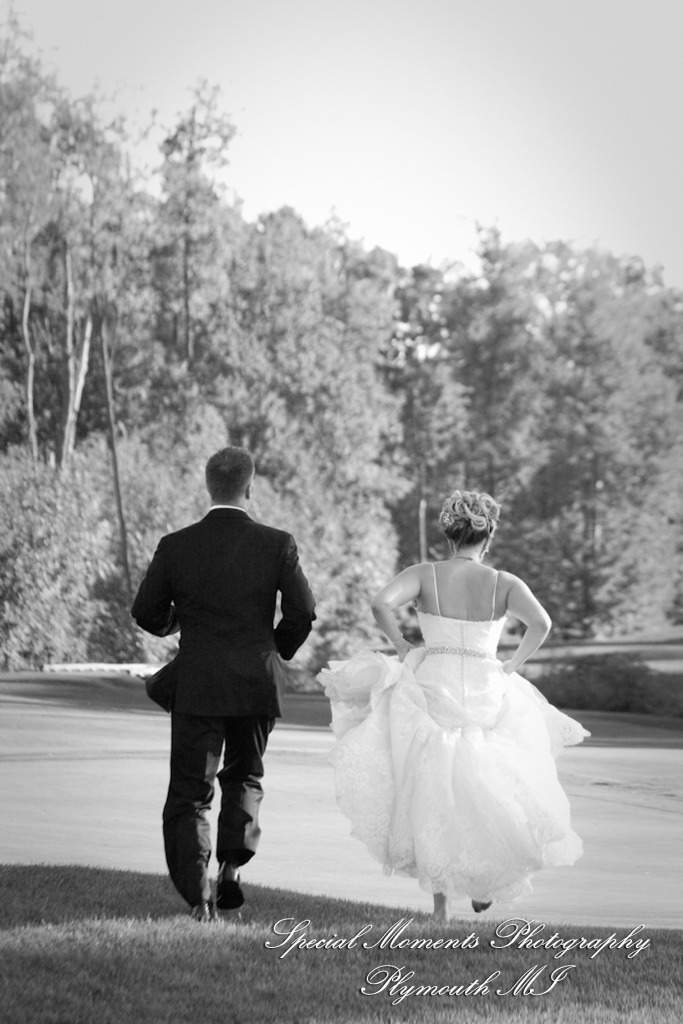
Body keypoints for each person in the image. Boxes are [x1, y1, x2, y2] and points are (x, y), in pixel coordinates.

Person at [319, 489, 588, 920]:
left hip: (436, 683)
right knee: (490, 781)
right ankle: (487, 878)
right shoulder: (504, 582)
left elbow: (380, 603)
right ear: (488, 537)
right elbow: (541, 623)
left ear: (449, 536)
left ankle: (442, 905)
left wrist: (402, 644)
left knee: (435, 787)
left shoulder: (424, 574)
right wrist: (512, 664)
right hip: (486, 686)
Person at [132, 446, 316, 922]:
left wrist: (180, 622)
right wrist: (273, 648)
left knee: (190, 792)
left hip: (198, 683)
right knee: (245, 777)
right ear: (250, 488)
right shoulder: (277, 543)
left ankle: (199, 897)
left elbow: (146, 612)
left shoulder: (176, 545)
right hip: (256, 681)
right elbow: (303, 612)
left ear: (208, 485)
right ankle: (231, 868)